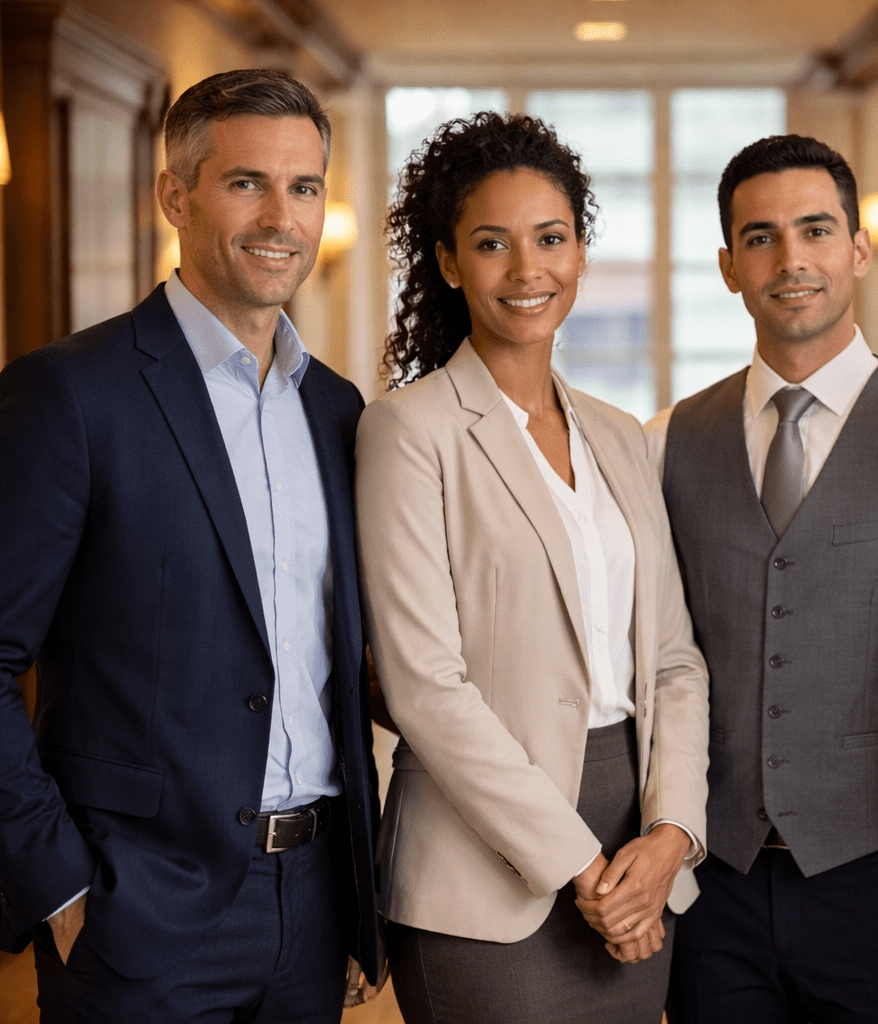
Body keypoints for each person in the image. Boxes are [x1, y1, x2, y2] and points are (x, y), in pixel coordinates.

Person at [0, 69, 382, 1022]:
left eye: (305, 187)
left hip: (319, 896)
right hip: (137, 912)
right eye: (247, 182)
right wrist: (62, 889)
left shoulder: (338, 408)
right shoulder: (70, 394)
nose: (280, 216)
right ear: (175, 194)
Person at [356, 111, 710, 1024]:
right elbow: (425, 686)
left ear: (582, 254)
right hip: (482, 871)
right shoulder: (409, 432)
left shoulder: (621, 436)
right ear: (446, 262)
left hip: (636, 842)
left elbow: (673, 659)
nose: (527, 271)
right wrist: (586, 872)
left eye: (551, 239)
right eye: (491, 244)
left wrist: (670, 837)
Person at [647, 134, 878, 1024]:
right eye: (760, 237)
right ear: (727, 266)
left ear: (859, 250)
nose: (790, 259)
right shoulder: (663, 441)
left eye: (816, 230)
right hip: (711, 882)